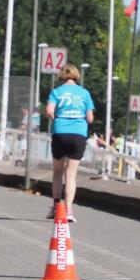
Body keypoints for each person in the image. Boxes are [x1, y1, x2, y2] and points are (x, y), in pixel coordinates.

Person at [45, 64, 94, 223]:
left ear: (62, 75)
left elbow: (49, 111)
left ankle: (56, 207)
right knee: (71, 174)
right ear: (76, 75)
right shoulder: (84, 93)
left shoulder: (56, 91)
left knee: (57, 172)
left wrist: (58, 118)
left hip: (60, 132)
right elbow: (90, 118)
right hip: (78, 133)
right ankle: (68, 210)